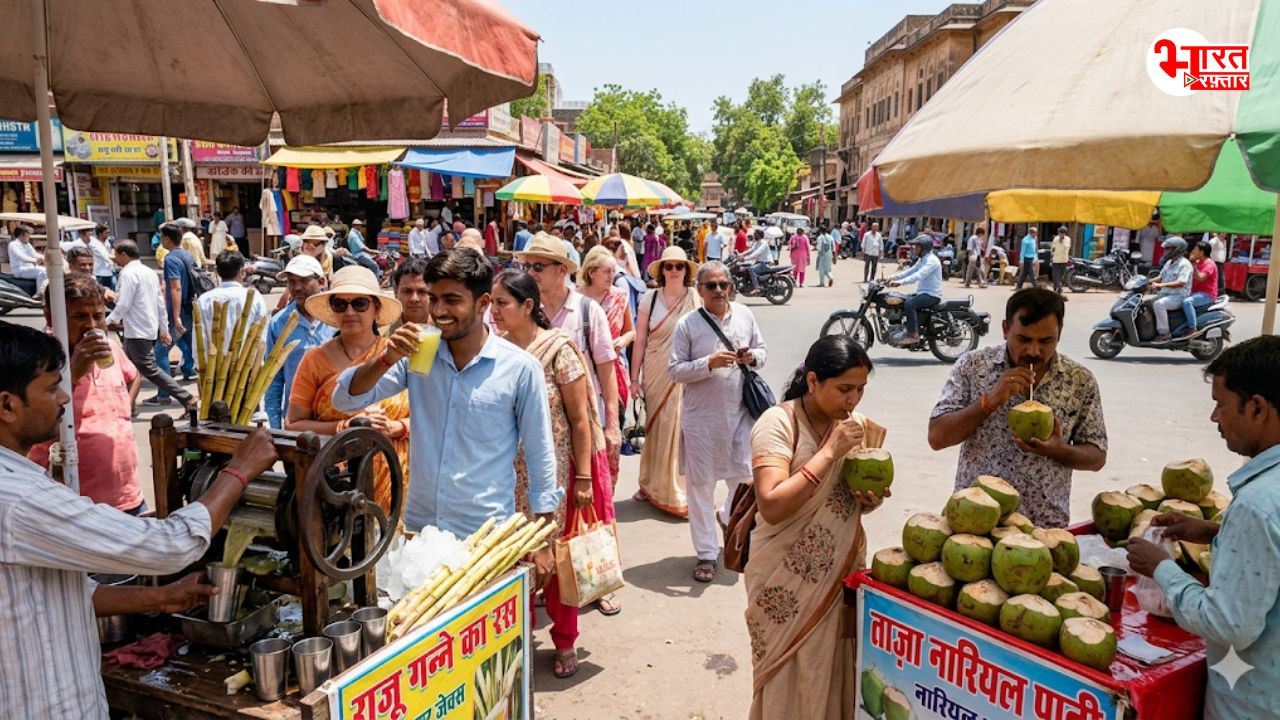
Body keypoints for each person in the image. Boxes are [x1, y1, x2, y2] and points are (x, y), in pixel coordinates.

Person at [0, 320, 279, 717]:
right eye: (49, 388)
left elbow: (62, 592)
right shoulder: (19, 500)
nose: (64, 397)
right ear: (7, 405)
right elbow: (172, 545)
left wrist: (161, 596)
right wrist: (238, 472)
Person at [333, 250, 561, 574]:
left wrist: (542, 539)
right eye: (433, 298)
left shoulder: (520, 369)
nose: (438, 311)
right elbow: (344, 399)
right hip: (421, 533)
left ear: (483, 304)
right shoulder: (420, 355)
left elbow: (541, 455)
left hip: (486, 537)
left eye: (452, 300)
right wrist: (387, 357)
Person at [1126, 336, 1280, 720]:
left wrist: (1161, 568)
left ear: (1257, 409)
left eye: (1221, 405)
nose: (1214, 418)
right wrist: (1214, 532)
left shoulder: (1258, 504)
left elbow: (1228, 624)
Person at [746, 335, 887, 719]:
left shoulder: (855, 427)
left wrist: (867, 501)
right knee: (787, 671)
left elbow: (841, 502)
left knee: (832, 667)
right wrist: (829, 452)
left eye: (860, 390)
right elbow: (772, 505)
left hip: (837, 576)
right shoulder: (778, 422)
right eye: (844, 389)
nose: (853, 400)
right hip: (783, 576)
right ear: (812, 382)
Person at [490, 269, 612, 679]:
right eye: (491, 303)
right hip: (509, 478)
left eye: (502, 303)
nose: (494, 311)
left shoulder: (559, 350)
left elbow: (580, 420)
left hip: (554, 475)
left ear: (528, 306)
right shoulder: (496, 350)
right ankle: (519, 635)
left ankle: (564, 641)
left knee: (558, 561)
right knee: (515, 561)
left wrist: (581, 480)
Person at [928, 288, 1107, 527]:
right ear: (1005, 329)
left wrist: (1057, 450)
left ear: (1060, 333)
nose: (1034, 351)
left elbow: (1097, 457)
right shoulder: (973, 366)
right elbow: (937, 437)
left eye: (1046, 341)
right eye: (1023, 339)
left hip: (1044, 526)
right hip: (975, 522)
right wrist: (989, 401)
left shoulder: (1079, 380)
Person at [669, 261, 768, 582]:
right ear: (699, 291)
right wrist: (707, 363)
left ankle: (727, 520)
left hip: (740, 415)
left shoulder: (745, 315)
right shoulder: (687, 325)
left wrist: (752, 356)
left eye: (724, 284)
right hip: (701, 422)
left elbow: (763, 351)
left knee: (743, 479)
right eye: (711, 286)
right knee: (701, 488)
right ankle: (707, 554)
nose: (719, 291)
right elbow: (674, 371)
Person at [517, 236, 623, 525]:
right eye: (526, 266)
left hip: (580, 432)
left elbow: (606, 369)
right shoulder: (521, 310)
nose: (530, 273)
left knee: (579, 521)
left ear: (562, 270)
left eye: (538, 266)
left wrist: (612, 424)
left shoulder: (588, 312)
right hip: (529, 435)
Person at [286, 266, 409, 510]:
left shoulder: (400, 355)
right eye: (340, 304)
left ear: (377, 308)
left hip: (398, 478)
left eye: (360, 303)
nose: (350, 311)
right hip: (336, 485)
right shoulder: (314, 360)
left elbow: (430, 416)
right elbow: (294, 426)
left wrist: (397, 427)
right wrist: (343, 427)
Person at [28, 273, 144, 512]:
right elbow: (31, 423)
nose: (91, 325)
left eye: (98, 316)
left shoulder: (111, 348)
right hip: (69, 505)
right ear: (51, 316)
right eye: (79, 316)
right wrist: (75, 372)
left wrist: (125, 412)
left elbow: (133, 377)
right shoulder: (37, 361)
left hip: (128, 496)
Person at [631, 246, 700, 517]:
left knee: (679, 427)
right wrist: (633, 379)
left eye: (679, 266)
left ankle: (675, 490)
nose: (673, 271)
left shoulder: (694, 297)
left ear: (686, 271)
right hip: (655, 368)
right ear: (661, 270)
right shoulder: (649, 298)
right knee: (656, 425)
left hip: (684, 370)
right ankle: (649, 484)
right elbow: (640, 340)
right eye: (668, 266)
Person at [107, 240, 196, 412]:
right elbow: (160, 303)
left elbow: (124, 303)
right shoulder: (148, 272)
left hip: (137, 330)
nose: (115, 259)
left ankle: (187, 398)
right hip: (145, 327)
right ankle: (126, 405)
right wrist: (163, 328)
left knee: (149, 369)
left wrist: (108, 321)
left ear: (123, 255)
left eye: (116, 256)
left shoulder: (128, 274)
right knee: (128, 368)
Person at [263, 255, 334, 429]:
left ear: (322, 281)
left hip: (334, 418)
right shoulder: (279, 323)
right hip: (296, 421)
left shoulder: (337, 317)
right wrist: (275, 426)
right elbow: (273, 379)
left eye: (303, 280)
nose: (297, 287)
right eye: (291, 281)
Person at [580, 246, 636, 409]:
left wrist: (621, 341)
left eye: (613, 271)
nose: (612, 276)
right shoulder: (575, 298)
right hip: (584, 369)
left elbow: (631, 331)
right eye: (606, 272)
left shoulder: (619, 297)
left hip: (613, 367)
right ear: (591, 272)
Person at [197, 250, 270, 353]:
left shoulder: (204, 300)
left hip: (211, 366)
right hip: (247, 365)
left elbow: (199, 337)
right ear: (242, 272)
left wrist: (199, 363)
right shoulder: (254, 297)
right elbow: (262, 334)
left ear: (216, 271)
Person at [159, 224, 198, 383]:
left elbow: (176, 287)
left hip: (179, 313)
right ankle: (189, 369)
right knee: (191, 346)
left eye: (161, 237)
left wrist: (175, 318)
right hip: (189, 309)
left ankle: (163, 394)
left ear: (167, 239)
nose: (160, 240)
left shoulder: (171, 259)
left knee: (160, 353)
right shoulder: (186, 256)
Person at [886, 235, 943, 345]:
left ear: (925, 247)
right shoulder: (922, 259)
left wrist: (900, 282)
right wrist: (891, 277)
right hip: (923, 293)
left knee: (910, 303)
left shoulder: (932, 261)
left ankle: (913, 335)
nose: (915, 249)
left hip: (932, 295)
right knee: (899, 299)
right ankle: (902, 328)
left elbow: (918, 275)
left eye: (918, 247)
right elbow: (910, 271)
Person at [1149, 236, 1193, 343]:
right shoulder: (1169, 262)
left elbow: (1181, 282)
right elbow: (1160, 277)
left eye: (1168, 248)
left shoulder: (1184, 264)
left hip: (1179, 296)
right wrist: (1146, 281)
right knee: (1146, 304)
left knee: (1159, 304)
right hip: (1166, 295)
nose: (1165, 251)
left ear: (1176, 249)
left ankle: (1165, 334)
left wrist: (1160, 285)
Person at [1181, 240, 1219, 336]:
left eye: (1195, 250)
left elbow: (1200, 278)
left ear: (1202, 252)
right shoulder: (1198, 263)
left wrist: (1193, 263)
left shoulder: (1209, 264)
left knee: (1187, 302)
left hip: (1207, 295)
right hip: (1195, 293)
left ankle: (1193, 328)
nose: (1193, 251)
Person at [8, 224, 47, 293]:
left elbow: (35, 254)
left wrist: (45, 257)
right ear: (21, 235)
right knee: (42, 272)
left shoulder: (27, 244)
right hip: (19, 270)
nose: (29, 237)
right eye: (27, 235)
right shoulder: (13, 244)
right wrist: (35, 260)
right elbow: (22, 257)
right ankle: (40, 294)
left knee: (47, 270)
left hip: (28, 268)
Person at [88, 224, 115, 290]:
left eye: (109, 233)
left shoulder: (107, 242)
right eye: (106, 233)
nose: (108, 235)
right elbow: (106, 256)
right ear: (100, 233)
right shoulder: (94, 244)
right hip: (100, 273)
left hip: (109, 271)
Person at [1050, 226, 1072, 296]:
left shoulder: (1068, 239)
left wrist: (1062, 242)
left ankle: (1056, 288)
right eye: (1060, 233)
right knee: (1055, 276)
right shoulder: (1055, 239)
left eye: (1062, 233)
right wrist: (1053, 254)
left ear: (1064, 233)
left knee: (1060, 277)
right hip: (1056, 260)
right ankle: (1059, 289)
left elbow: (1067, 247)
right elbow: (1052, 248)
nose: (1061, 235)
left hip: (1064, 260)